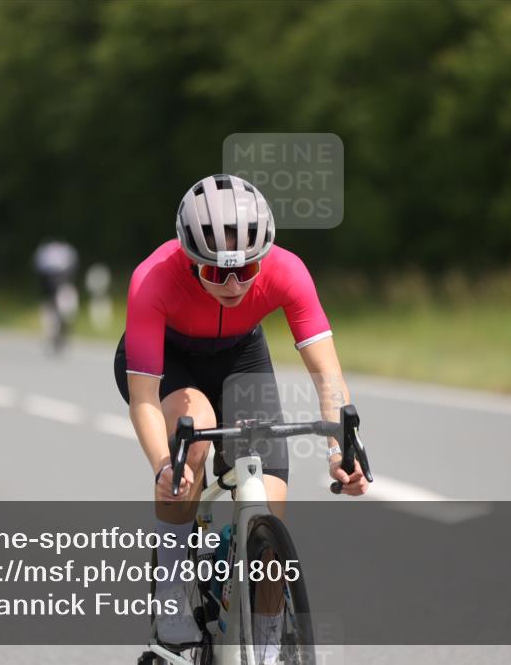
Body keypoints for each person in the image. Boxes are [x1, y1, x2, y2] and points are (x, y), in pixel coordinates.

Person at [113, 174, 368, 654]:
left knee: (270, 512)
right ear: (190, 259)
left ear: (264, 256)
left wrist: (341, 449)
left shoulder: (288, 270)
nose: (232, 285)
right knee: (196, 436)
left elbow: (327, 375)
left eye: (246, 270)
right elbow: (143, 398)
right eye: (215, 273)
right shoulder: (152, 278)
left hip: (240, 356)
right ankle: (170, 592)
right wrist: (164, 466)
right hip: (170, 359)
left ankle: (266, 642)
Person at [33, 239, 80, 352]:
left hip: (64, 290)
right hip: (49, 294)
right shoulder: (45, 253)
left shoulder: (63, 253)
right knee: (50, 318)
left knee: (66, 315)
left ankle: (63, 336)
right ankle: (54, 338)